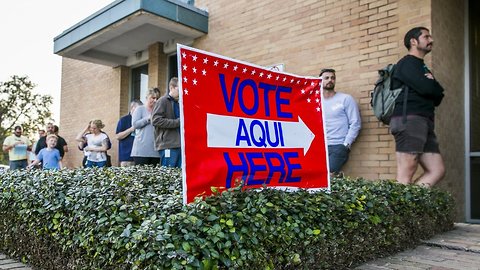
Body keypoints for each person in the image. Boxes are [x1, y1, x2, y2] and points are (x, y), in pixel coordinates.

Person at [390, 27, 445, 187]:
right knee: (406, 171)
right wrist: (432, 85)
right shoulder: (406, 63)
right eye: (426, 37)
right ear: (414, 41)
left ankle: (411, 203)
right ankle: (399, 210)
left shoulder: (422, 67)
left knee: (437, 170)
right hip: (409, 119)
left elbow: (439, 96)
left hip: (424, 120)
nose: (431, 40)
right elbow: (429, 89)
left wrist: (433, 86)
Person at [320, 68, 361, 176]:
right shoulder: (317, 101)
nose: (330, 80)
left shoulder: (346, 99)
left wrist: (346, 144)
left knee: (329, 175)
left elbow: (355, 123)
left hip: (338, 146)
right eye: (327, 78)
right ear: (320, 80)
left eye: (333, 78)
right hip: (320, 146)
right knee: (318, 177)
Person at [152, 77, 182, 167]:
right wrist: (177, 122)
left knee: (177, 176)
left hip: (179, 145)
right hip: (168, 145)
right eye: (179, 88)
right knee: (168, 174)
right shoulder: (163, 100)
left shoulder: (179, 103)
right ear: (171, 88)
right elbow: (155, 120)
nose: (182, 91)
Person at [131, 88, 161, 165]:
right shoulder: (140, 109)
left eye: (157, 98)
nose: (155, 100)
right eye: (153, 98)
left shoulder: (159, 111)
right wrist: (148, 119)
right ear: (147, 97)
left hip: (155, 151)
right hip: (141, 151)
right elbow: (135, 125)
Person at [115, 100, 143, 167]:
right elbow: (118, 136)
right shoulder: (124, 120)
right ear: (132, 108)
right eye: (138, 109)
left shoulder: (142, 120)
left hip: (140, 156)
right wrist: (131, 129)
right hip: (127, 157)